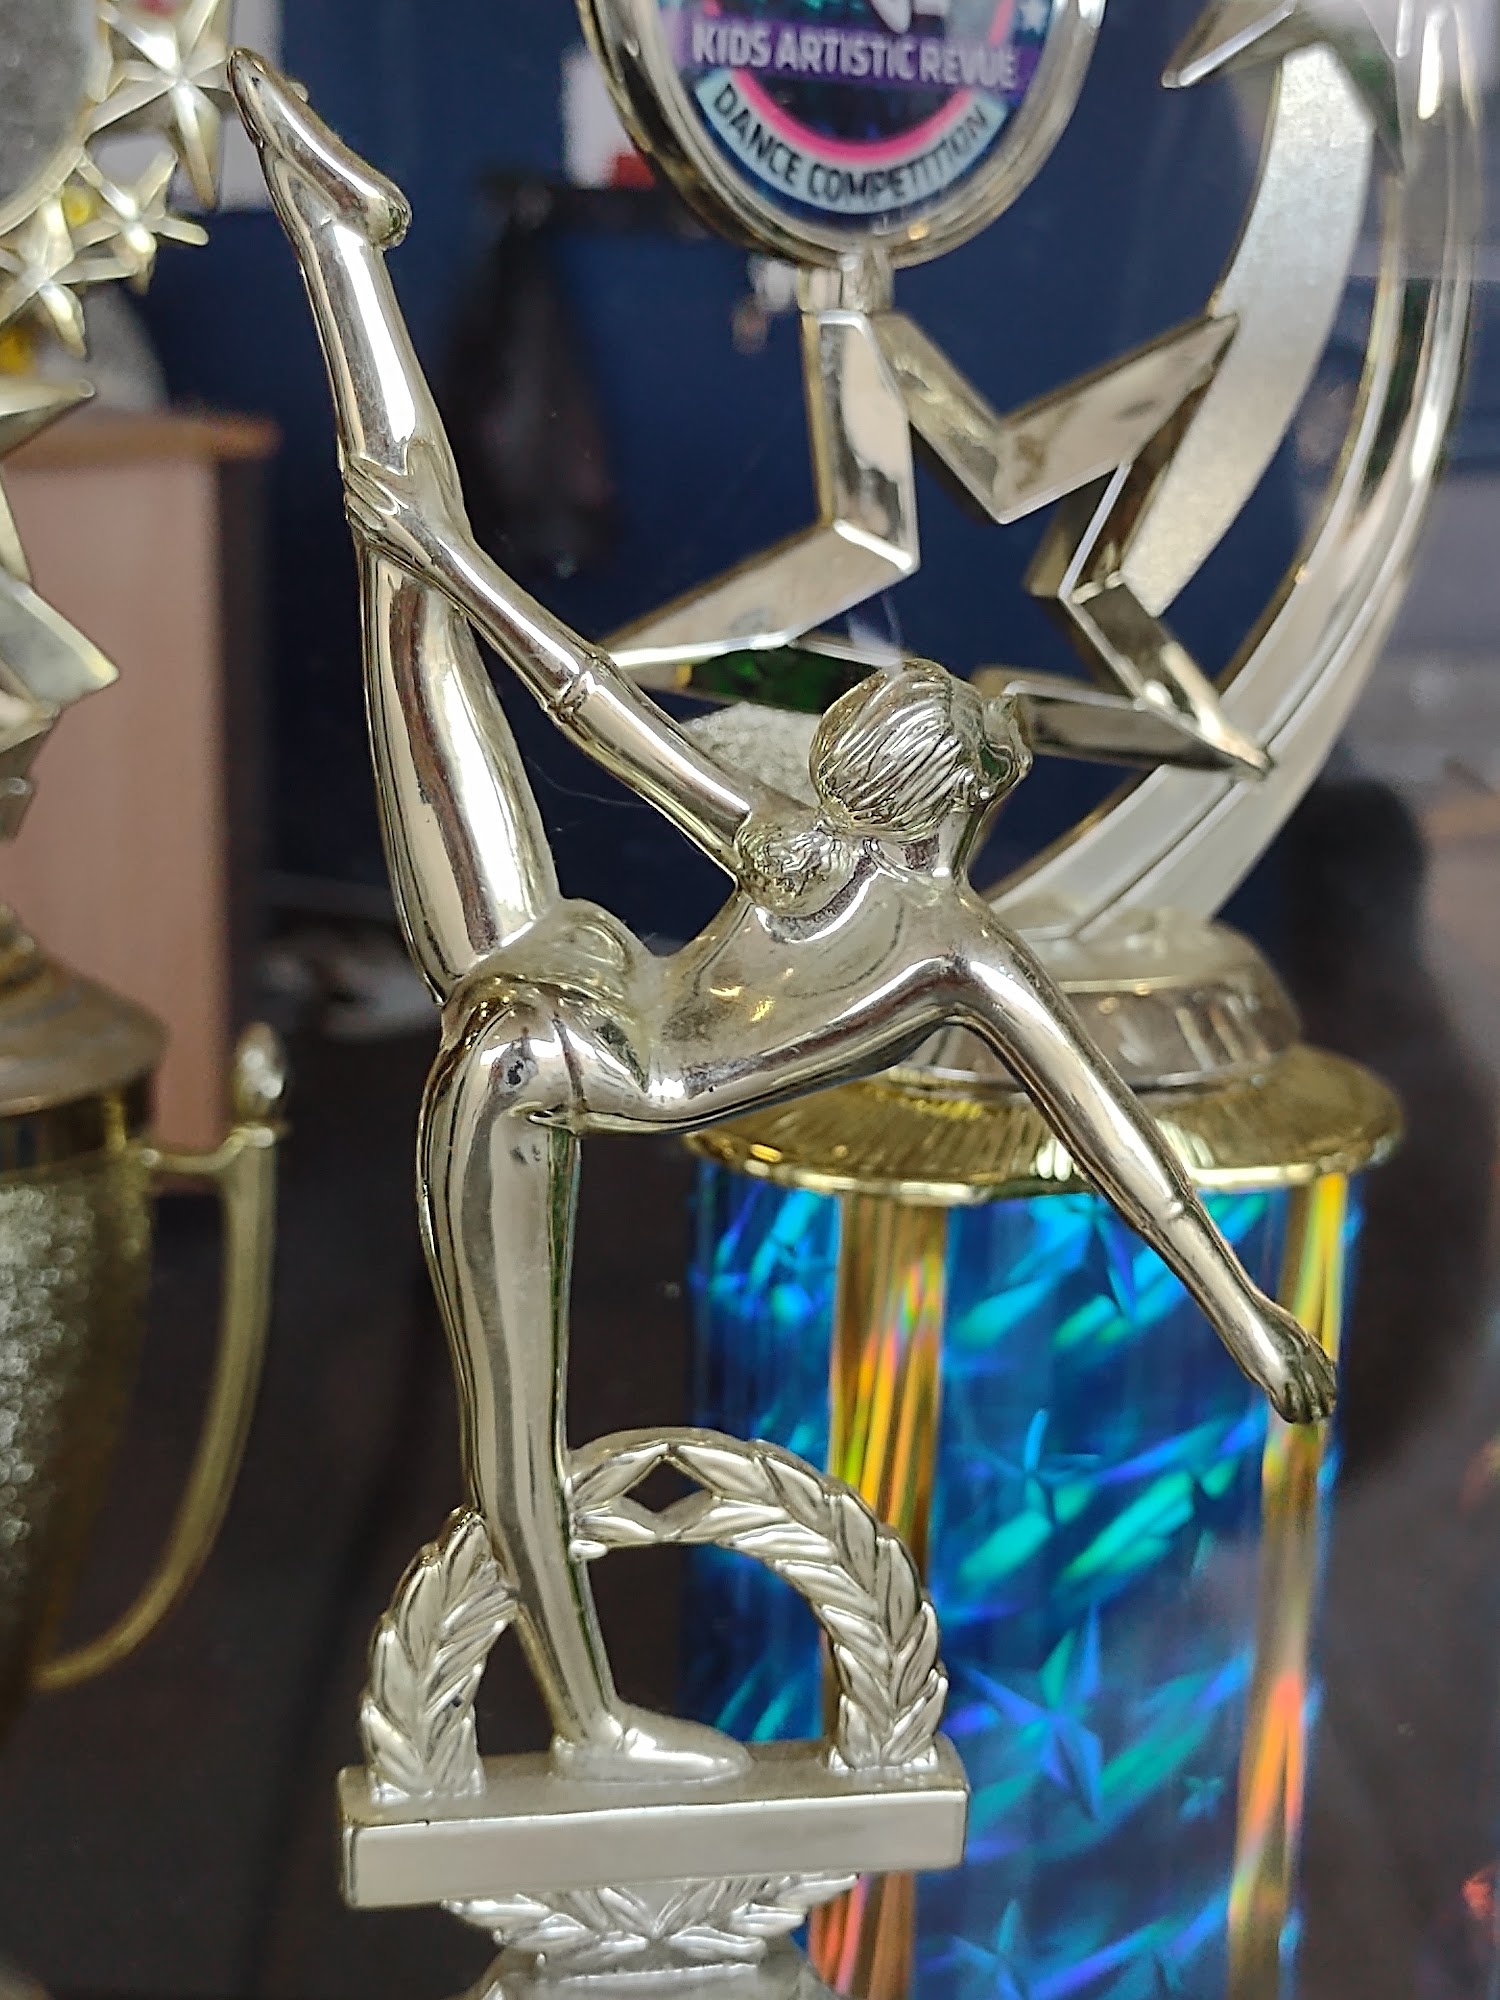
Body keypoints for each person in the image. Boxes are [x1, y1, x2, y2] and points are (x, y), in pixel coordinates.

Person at [232, 50, 1336, 1788]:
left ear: (904, 787)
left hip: (552, 1001)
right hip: (549, 1023)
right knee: (509, 1429)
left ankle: (337, 245)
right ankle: (333, 231)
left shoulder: (853, 876)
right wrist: (1242, 1312)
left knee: (410, 598)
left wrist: (1250, 1317)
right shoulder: (918, 917)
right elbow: (1121, 1145)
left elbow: (605, 710)